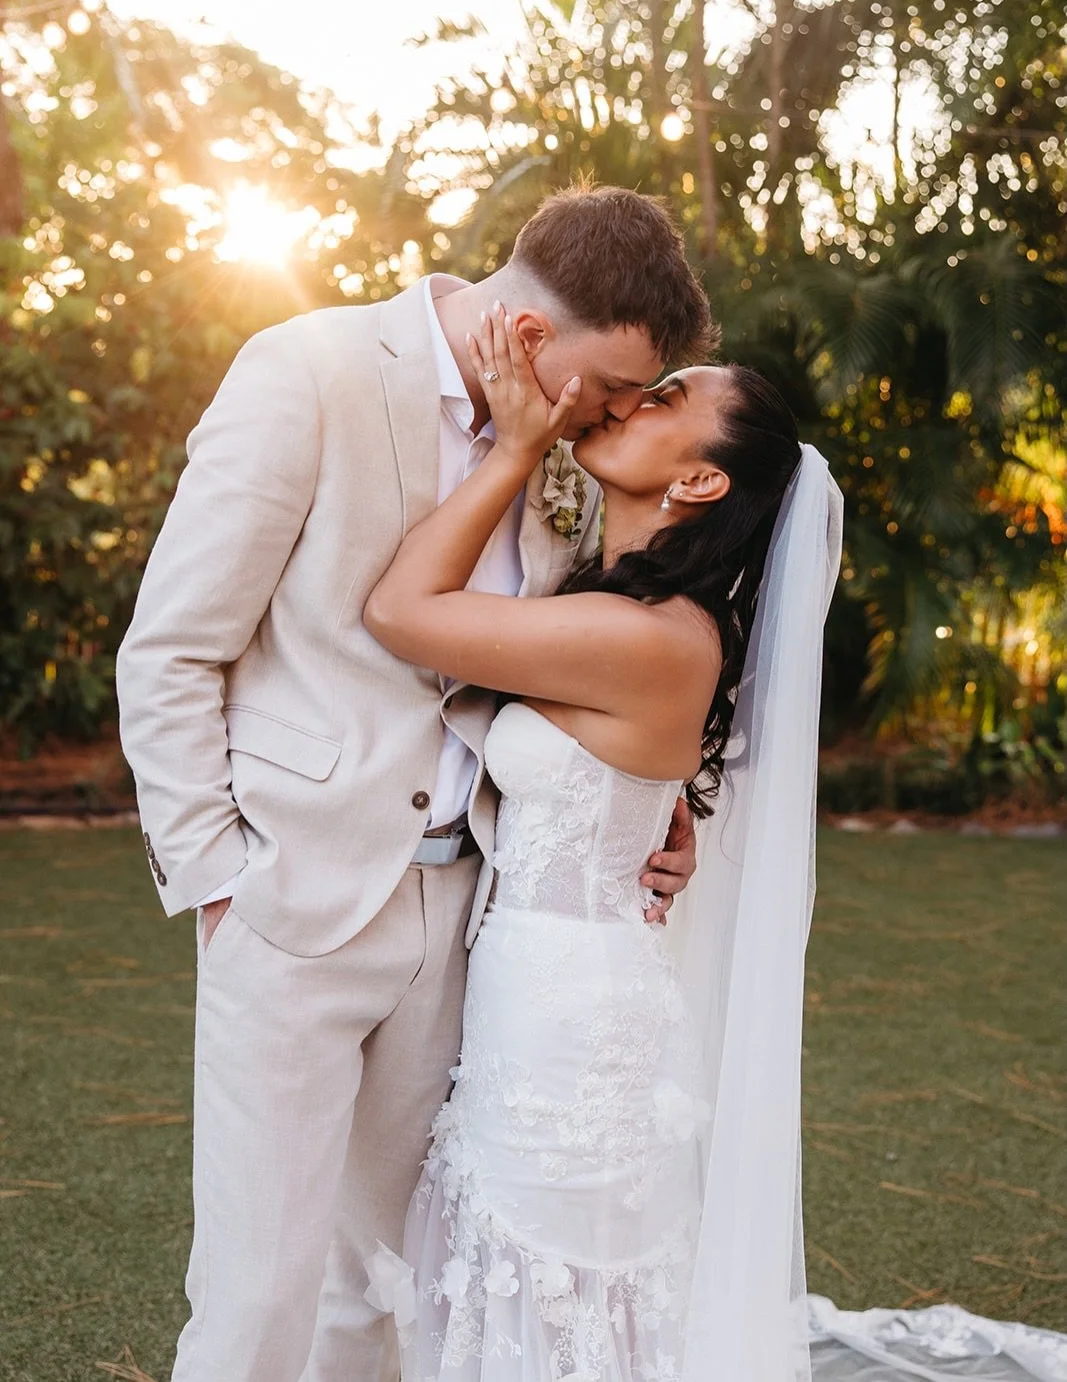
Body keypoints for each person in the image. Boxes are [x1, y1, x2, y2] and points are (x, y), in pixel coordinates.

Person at [114, 185, 711, 1382]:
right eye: (608, 387)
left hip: (467, 920)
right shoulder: (308, 372)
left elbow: (566, 663)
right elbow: (172, 649)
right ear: (531, 336)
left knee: (391, 1280)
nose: (613, 417)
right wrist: (219, 880)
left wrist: (661, 802)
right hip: (290, 898)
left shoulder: (559, 452)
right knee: (257, 1292)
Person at [360, 305, 820, 1379]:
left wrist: (515, 448)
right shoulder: (615, 601)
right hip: (537, 985)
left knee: (556, 1294)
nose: (627, 402)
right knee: (522, 1285)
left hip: (569, 1023)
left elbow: (400, 611)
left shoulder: (641, 636)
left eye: (666, 398)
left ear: (698, 481)